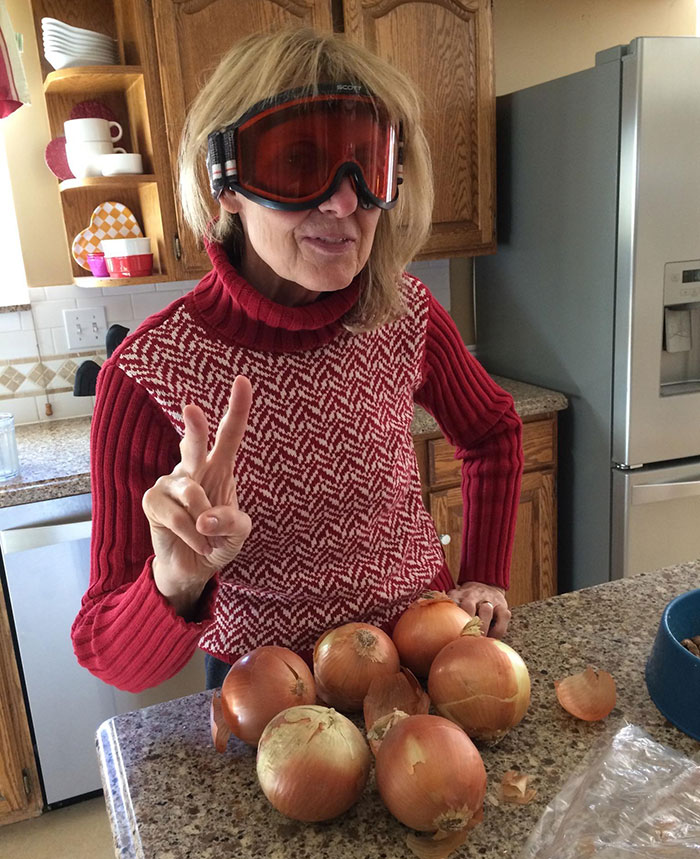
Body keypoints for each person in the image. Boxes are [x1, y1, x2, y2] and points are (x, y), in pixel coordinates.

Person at [72, 27, 523, 694]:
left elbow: (492, 432)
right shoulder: (147, 374)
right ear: (227, 181)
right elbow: (110, 654)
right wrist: (177, 579)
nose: (344, 202)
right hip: (272, 705)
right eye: (297, 163)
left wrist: (483, 571)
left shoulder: (405, 312)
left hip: (425, 665)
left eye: (367, 165)